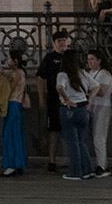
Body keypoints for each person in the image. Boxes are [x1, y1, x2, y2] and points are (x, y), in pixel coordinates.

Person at [56, 49, 93, 181]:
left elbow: (59, 87)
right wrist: (90, 100)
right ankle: (87, 169)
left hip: (70, 109)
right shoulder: (82, 73)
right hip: (83, 108)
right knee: (82, 141)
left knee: (72, 142)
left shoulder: (62, 74)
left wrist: (67, 99)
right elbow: (96, 86)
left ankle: (76, 172)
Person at [38, 31, 70, 172]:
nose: (62, 43)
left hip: (71, 99)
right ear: (54, 43)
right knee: (54, 130)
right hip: (54, 99)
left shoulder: (71, 57)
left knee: (71, 129)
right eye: (59, 41)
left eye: (64, 40)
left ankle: (72, 158)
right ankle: (52, 160)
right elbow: (41, 78)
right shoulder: (50, 58)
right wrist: (41, 98)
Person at [0, 51, 29, 177]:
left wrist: (3, 75)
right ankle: (19, 163)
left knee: (10, 135)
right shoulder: (21, 72)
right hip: (17, 105)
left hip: (12, 104)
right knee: (17, 135)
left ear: (15, 60)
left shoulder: (17, 73)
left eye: (9, 58)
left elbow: (10, 87)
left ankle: (12, 164)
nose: (7, 61)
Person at [82, 51, 112, 176]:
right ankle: (97, 162)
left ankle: (102, 165)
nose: (89, 62)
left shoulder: (104, 74)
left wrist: (90, 89)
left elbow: (101, 92)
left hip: (102, 107)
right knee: (93, 136)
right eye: (88, 59)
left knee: (99, 137)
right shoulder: (90, 73)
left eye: (92, 59)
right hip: (92, 107)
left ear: (99, 60)